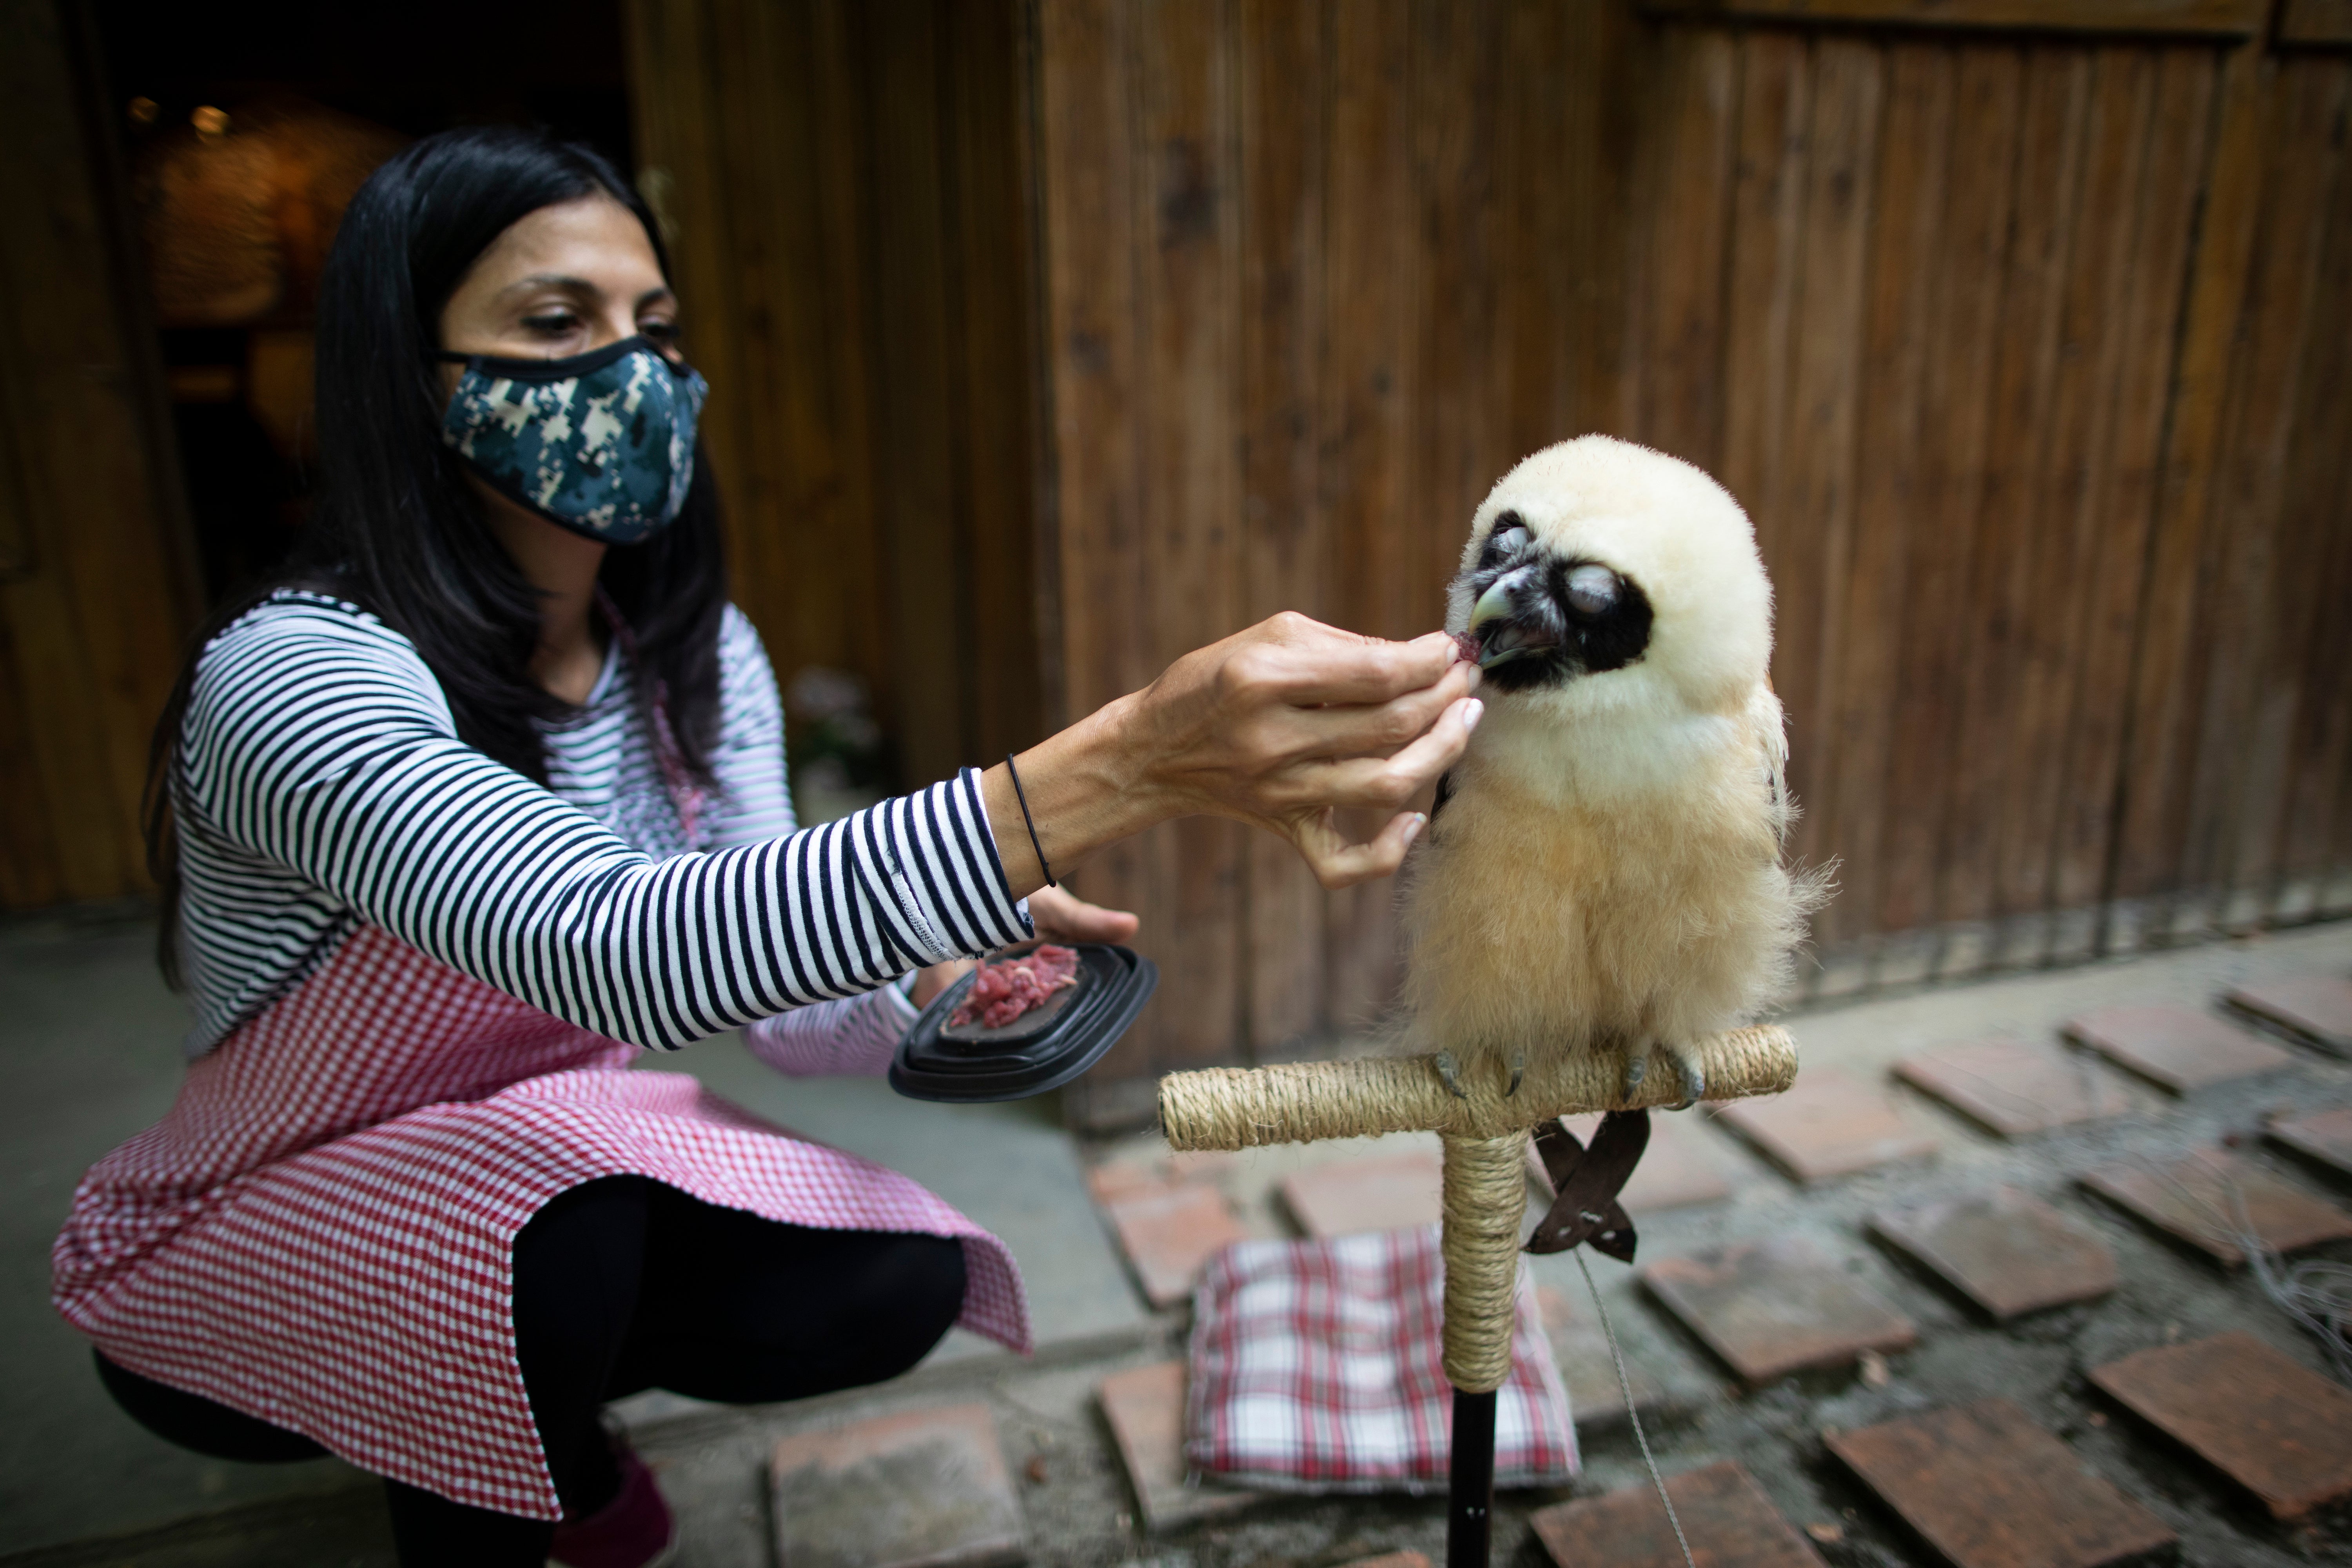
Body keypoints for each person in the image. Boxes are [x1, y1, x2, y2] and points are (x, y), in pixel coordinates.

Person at [52, 126, 1482, 1568]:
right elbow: (614, 948)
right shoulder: (297, 673)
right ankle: (502, 1484)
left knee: (886, 1284)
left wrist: (927, 982)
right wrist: (1123, 762)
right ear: (408, 384)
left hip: (547, 1172)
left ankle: (533, 1417)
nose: (634, 370)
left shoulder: (688, 660)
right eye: (556, 324)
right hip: (263, 1230)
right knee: (556, 1233)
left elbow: (772, 992)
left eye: (654, 328)